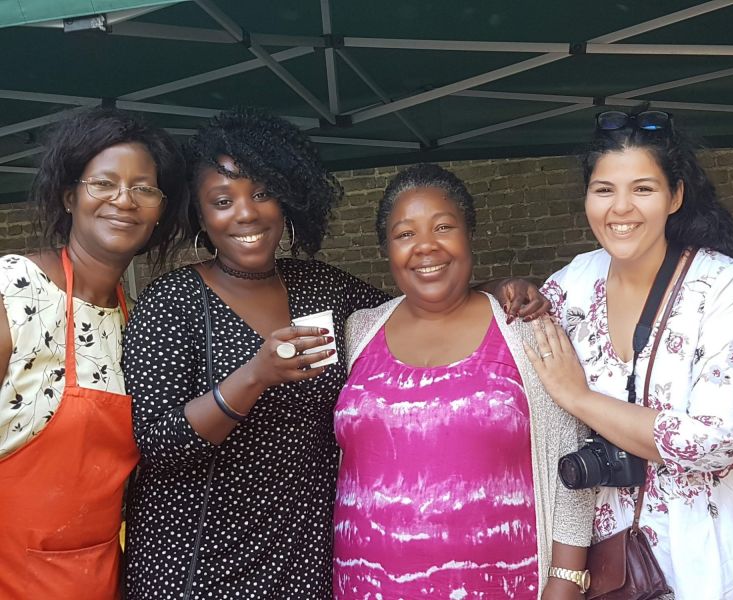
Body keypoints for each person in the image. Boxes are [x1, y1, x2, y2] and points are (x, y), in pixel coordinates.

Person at [122, 109, 547, 599]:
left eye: (262, 193)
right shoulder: (172, 302)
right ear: (200, 215)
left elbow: (419, 303)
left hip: (304, 563)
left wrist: (499, 287)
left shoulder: (322, 287)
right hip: (199, 563)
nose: (246, 213)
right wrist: (254, 376)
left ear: (286, 199)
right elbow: (157, 444)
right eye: (222, 201)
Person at [526, 110, 733, 599]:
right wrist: (503, 291)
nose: (621, 207)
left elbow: (715, 440)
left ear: (675, 196)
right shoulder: (570, 284)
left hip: (719, 547)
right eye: (604, 189)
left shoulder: (722, 283)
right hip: (619, 556)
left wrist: (580, 398)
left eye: (643, 189)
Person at [335, 163, 594, 600]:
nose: (425, 246)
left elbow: (572, 457)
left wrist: (566, 581)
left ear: (469, 233)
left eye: (443, 227)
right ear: (386, 249)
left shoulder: (524, 329)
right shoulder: (358, 331)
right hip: (362, 585)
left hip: (504, 586)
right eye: (405, 234)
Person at [0, 107, 187, 599]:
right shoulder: (14, 291)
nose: (124, 200)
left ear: (160, 210)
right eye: (103, 183)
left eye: (144, 188)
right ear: (70, 196)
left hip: (97, 576)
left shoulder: (136, 322)